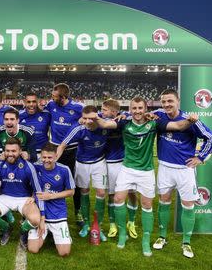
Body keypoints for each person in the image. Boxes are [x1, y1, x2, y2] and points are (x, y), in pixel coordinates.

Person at [89, 96, 198, 257]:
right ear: (130, 109)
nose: (137, 111)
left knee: (147, 205)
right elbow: (105, 124)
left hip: (146, 171)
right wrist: (95, 117)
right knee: (118, 199)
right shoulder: (124, 122)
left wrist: (190, 120)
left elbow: (177, 126)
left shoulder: (154, 123)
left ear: (146, 109)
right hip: (127, 168)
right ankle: (122, 234)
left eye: (140, 108)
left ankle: (146, 240)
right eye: (134, 108)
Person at [152, 89, 212, 258]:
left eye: (170, 101)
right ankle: (162, 237)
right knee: (163, 201)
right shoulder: (158, 114)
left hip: (185, 170)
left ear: (178, 101)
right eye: (164, 101)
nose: (166, 105)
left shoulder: (191, 119)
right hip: (165, 167)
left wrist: (200, 157)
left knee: (188, 205)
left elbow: (210, 136)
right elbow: (140, 115)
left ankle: (186, 242)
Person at [57, 105, 108, 240]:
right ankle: (86, 224)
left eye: (91, 118)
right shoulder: (78, 128)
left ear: (97, 117)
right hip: (82, 163)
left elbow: (120, 117)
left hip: (99, 162)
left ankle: (98, 226)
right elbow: (62, 145)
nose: (87, 121)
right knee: (84, 191)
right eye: (84, 118)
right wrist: (53, 161)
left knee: (101, 193)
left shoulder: (105, 124)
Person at [45, 83, 83, 225]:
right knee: (52, 179)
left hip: (72, 150)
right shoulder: (51, 104)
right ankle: (51, 208)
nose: (52, 98)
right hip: (54, 148)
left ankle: (78, 211)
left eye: (54, 96)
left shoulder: (78, 108)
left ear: (63, 97)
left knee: (75, 182)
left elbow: (93, 116)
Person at [28, 143, 75, 257]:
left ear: (55, 157)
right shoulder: (35, 167)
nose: (46, 160)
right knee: (33, 249)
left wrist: (50, 196)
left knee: (64, 253)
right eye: (44, 157)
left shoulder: (64, 170)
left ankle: (62, 235)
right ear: (41, 157)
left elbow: (71, 191)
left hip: (57, 211)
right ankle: (45, 232)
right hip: (40, 211)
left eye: (50, 158)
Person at [100, 99, 138, 239]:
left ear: (114, 112)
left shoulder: (124, 118)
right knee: (111, 195)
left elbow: (135, 115)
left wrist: (126, 115)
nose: (102, 112)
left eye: (104, 110)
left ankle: (132, 222)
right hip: (109, 163)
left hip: (126, 162)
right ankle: (112, 224)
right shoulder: (102, 118)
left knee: (132, 193)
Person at [20, 92, 51, 156]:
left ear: (37, 102)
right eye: (28, 102)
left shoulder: (46, 114)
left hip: (43, 153)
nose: (31, 104)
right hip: (26, 153)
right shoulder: (19, 115)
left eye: (34, 101)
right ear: (24, 102)